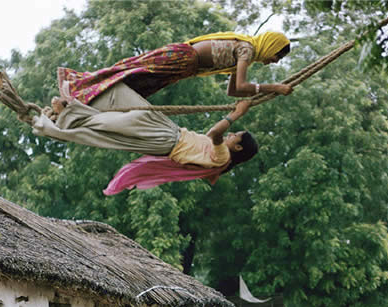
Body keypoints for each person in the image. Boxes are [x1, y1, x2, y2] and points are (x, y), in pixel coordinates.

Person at [31, 83, 259, 193]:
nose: (231, 133)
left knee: (112, 126)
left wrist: (236, 114)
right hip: (167, 129)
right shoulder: (216, 152)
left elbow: (218, 134)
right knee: (121, 97)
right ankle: (77, 101)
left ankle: (66, 114)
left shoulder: (222, 158)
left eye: (235, 135)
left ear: (238, 148)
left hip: (165, 140)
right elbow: (211, 134)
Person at [57, 31, 292, 104]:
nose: (274, 61)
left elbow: (234, 91)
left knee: (135, 87)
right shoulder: (246, 49)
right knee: (131, 72)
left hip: (183, 67)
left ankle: (85, 99)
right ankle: (76, 84)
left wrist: (268, 91)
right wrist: (274, 87)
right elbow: (241, 85)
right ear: (272, 45)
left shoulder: (245, 54)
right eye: (277, 56)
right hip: (182, 59)